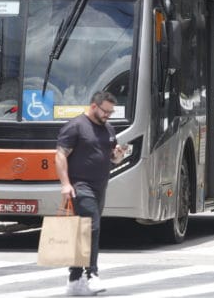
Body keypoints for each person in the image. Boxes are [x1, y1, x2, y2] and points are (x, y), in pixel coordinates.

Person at [55, 91, 126, 296]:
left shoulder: (108, 128)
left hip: (100, 186)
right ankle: (92, 274)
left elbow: (112, 158)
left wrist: (118, 155)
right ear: (94, 106)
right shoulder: (76, 126)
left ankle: (75, 279)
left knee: (81, 232)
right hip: (80, 186)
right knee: (91, 227)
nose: (108, 115)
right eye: (105, 111)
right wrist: (65, 184)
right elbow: (60, 156)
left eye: (111, 112)